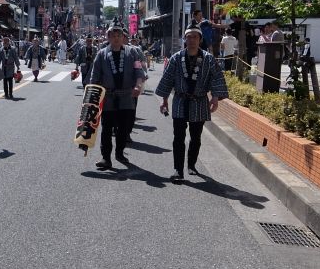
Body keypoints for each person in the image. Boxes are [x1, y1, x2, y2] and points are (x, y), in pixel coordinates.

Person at [155, 23, 228, 181]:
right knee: (178, 137)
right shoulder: (176, 58)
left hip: (199, 101)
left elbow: (217, 78)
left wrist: (215, 97)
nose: (192, 40)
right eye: (189, 37)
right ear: (185, 39)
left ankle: (191, 165)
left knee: (196, 137)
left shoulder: (208, 58)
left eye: (195, 37)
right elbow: (167, 79)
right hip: (180, 101)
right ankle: (178, 170)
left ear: (200, 39)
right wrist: (164, 100)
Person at [89, 22, 146, 169]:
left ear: (123, 37)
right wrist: (92, 96)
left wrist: (138, 85)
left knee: (123, 128)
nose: (116, 38)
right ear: (108, 37)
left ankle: (120, 153)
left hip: (127, 96)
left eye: (119, 35)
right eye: (113, 36)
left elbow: (139, 72)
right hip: (108, 97)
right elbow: (94, 77)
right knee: (107, 129)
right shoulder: (101, 54)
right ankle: (105, 158)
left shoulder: (132, 53)